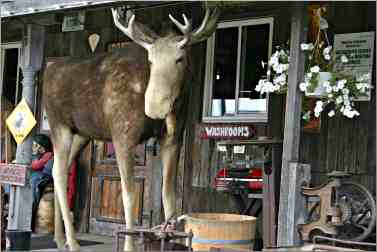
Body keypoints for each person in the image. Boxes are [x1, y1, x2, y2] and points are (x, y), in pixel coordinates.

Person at [31, 134, 77, 228]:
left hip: (49, 181)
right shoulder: (48, 157)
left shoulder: (66, 159)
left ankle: (30, 219)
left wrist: (69, 206)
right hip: (45, 179)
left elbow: (71, 183)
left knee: (34, 182)